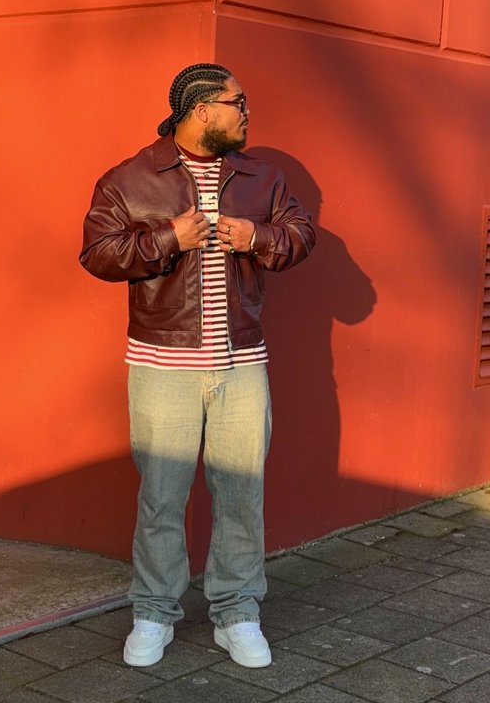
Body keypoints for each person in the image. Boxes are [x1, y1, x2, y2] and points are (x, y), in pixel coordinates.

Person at [79, 63, 316, 669]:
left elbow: (300, 234)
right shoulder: (130, 178)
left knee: (241, 494)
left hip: (242, 364)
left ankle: (237, 613)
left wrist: (257, 236)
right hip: (162, 364)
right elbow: (98, 253)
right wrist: (166, 239)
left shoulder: (263, 177)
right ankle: (153, 613)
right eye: (239, 102)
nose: (246, 113)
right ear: (202, 109)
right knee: (162, 496)